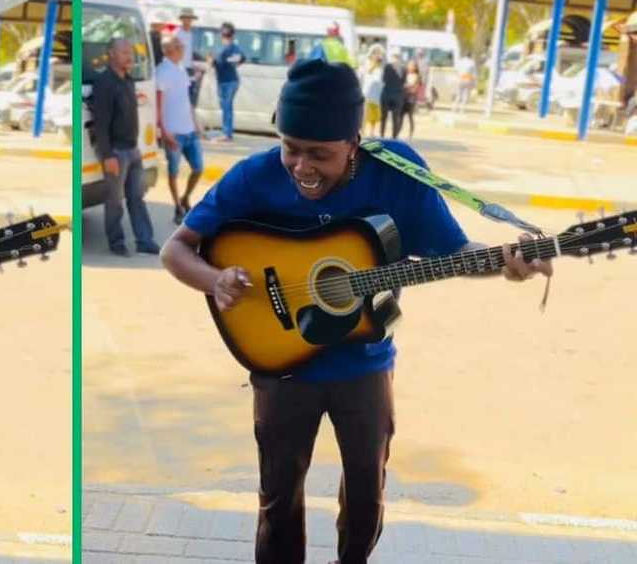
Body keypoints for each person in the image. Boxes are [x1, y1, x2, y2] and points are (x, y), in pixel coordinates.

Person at [160, 58, 552, 564]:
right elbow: (176, 249)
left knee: (367, 499)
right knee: (278, 500)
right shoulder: (254, 176)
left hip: (363, 364)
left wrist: (503, 263)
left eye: (318, 155)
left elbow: (451, 252)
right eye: (291, 149)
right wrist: (216, 280)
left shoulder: (397, 173)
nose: (302, 167)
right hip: (279, 365)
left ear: (355, 140)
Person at [91, 38, 158, 257]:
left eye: (130, 52)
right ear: (111, 54)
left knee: (137, 198)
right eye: (124, 53)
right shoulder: (104, 83)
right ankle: (116, 242)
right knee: (114, 201)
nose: (130, 57)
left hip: (133, 149)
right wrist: (108, 155)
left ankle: (145, 241)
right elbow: (100, 124)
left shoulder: (128, 81)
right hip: (116, 153)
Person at [156, 35, 205, 225]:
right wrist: (164, 131)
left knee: (198, 168)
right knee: (173, 171)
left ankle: (185, 198)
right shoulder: (162, 72)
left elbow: (186, 100)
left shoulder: (181, 69)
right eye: (178, 45)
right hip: (173, 132)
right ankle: (177, 206)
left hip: (189, 130)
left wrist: (196, 122)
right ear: (169, 50)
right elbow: (158, 106)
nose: (182, 48)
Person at [209, 22, 246, 142]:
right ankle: (226, 131)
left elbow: (219, 62)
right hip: (229, 80)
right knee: (226, 106)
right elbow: (241, 58)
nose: (225, 37)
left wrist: (211, 61)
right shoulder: (234, 47)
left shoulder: (226, 48)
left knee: (226, 107)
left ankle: (227, 133)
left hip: (227, 81)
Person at [176, 8, 202, 107]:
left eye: (190, 19)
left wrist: (195, 65)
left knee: (191, 96)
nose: (188, 21)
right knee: (181, 95)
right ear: (182, 19)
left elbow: (193, 52)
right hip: (180, 68)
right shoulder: (178, 33)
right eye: (186, 18)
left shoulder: (192, 33)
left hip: (190, 68)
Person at [380, 50, 405, 138]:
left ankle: (382, 136)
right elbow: (403, 82)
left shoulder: (387, 67)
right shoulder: (403, 68)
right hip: (398, 95)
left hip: (387, 93)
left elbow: (383, 79)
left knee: (384, 117)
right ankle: (394, 137)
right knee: (396, 118)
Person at [361, 50, 384, 137]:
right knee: (365, 114)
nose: (376, 59)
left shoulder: (380, 69)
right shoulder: (366, 67)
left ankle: (371, 131)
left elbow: (380, 81)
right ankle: (362, 130)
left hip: (376, 95)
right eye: (374, 57)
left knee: (374, 115)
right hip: (367, 93)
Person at [402, 59, 423, 141]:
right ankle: (398, 133)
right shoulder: (405, 74)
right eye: (409, 65)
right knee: (400, 116)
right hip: (403, 98)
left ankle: (410, 134)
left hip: (411, 99)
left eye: (412, 65)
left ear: (415, 67)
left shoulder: (417, 76)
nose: (410, 67)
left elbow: (415, 89)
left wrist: (407, 87)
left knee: (410, 117)